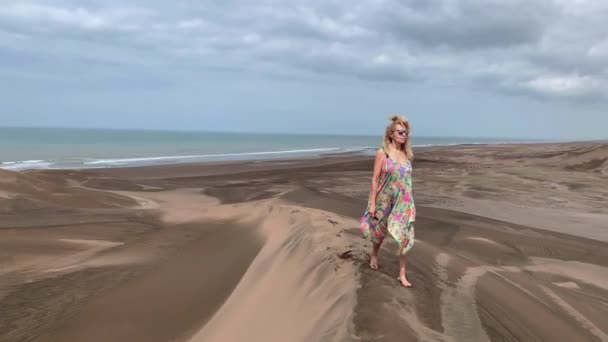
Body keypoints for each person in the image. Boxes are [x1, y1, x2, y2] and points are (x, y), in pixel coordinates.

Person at [360, 114, 416, 287]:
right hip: (384, 199)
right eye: (400, 132)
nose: (403, 135)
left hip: (403, 202)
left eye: (406, 132)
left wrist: (412, 204)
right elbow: (375, 179)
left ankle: (402, 274)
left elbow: (408, 181)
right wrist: (372, 203)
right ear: (391, 134)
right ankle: (374, 254)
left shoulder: (407, 154)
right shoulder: (382, 153)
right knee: (379, 230)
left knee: (405, 236)